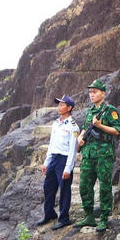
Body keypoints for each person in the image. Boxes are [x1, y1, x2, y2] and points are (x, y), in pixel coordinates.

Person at [74, 78, 120, 232]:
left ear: (103, 93)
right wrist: (80, 138)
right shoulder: (90, 111)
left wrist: (100, 126)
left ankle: (104, 218)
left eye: (95, 92)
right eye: (90, 92)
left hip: (104, 155)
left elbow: (117, 130)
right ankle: (88, 215)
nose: (91, 94)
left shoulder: (110, 110)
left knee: (105, 187)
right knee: (84, 185)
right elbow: (85, 127)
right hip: (88, 154)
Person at [38, 95, 80, 230]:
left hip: (64, 159)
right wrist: (46, 162)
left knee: (65, 190)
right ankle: (49, 213)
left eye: (62, 105)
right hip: (54, 159)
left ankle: (64, 218)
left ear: (69, 108)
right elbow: (52, 144)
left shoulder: (73, 126)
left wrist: (68, 168)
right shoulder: (56, 123)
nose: (59, 107)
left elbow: (73, 149)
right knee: (48, 187)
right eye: (59, 104)